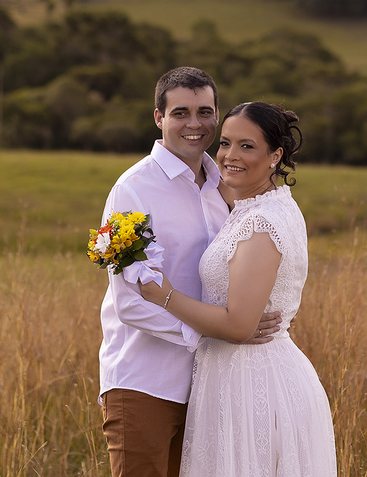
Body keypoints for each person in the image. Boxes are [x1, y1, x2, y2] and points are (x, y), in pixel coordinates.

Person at [97, 67, 282, 477]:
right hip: (145, 382)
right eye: (181, 112)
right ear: (159, 118)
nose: (195, 124)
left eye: (205, 112)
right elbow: (130, 303)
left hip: (210, 386)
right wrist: (219, 333)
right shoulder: (133, 189)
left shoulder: (224, 186)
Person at [140, 101, 338, 477]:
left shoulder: (261, 223)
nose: (230, 155)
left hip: (255, 384)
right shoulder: (265, 204)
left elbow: (238, 326)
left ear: (275, 155)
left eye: (247, 146)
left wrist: (164, 295)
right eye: (226, 143)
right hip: (236, 377)